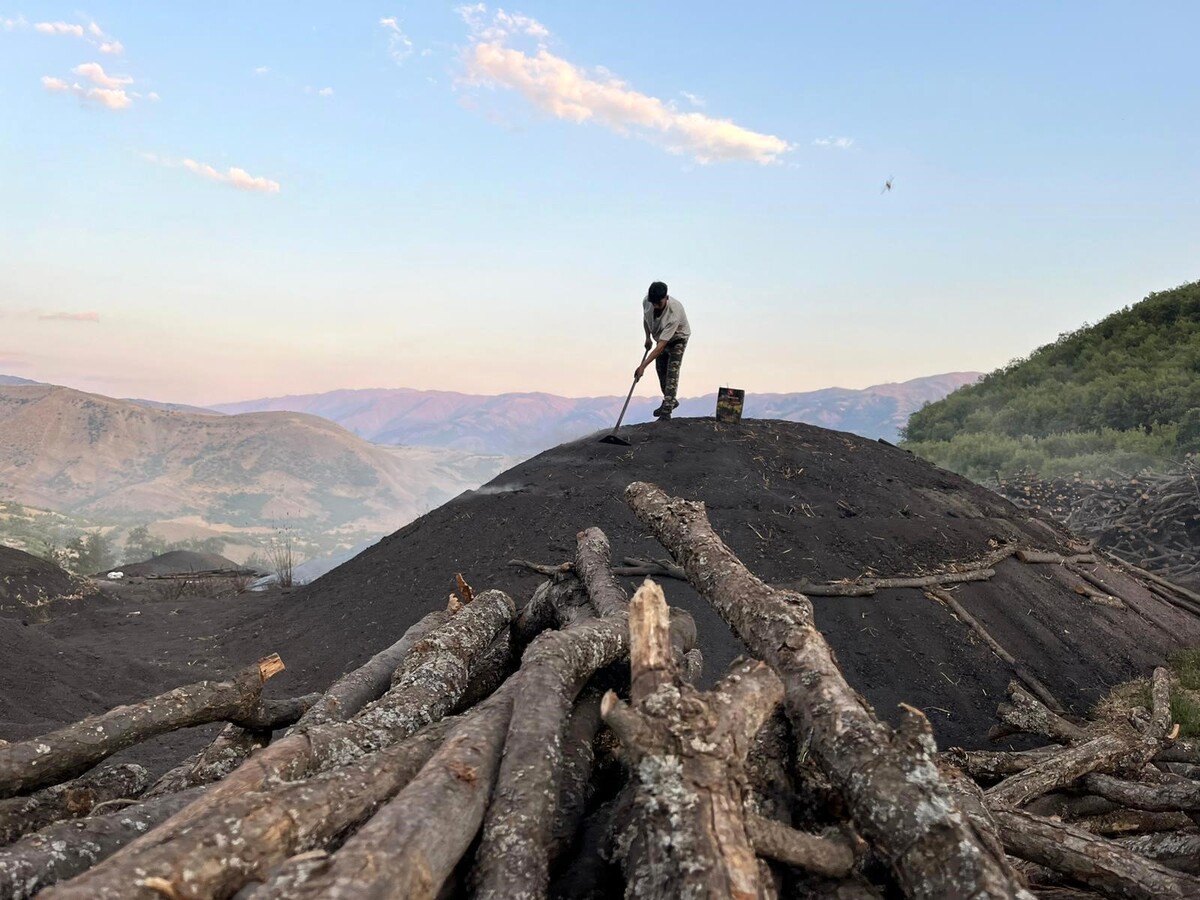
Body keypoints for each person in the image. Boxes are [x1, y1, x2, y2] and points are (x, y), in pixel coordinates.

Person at [635, 281, 691, 419]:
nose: (655, 306)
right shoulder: (647, 302)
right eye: (653, 302)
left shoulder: (674, 312)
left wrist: (642, 366)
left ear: (666, 297)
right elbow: (646, 319)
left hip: (678, 338)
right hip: (660, 337)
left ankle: (666, 412)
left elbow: (661, 346)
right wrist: (647, 337)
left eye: (658, 303)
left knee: (672, 371)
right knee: (660, 370)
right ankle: (670, 400)